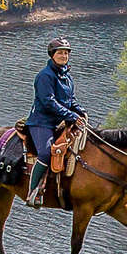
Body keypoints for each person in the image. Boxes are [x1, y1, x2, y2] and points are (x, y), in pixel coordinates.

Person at [25, 38, 89, 207]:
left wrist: (80, 111)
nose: (63, 55)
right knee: (46, 153)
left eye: (66, 53)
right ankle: (32, 192)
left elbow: (70, 100)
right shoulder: (44, 76)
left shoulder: (66, 76)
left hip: (60, 121)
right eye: (60, 52)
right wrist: (71, 115)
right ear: (52, 55)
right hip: (42, 122)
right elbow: (48, 102)